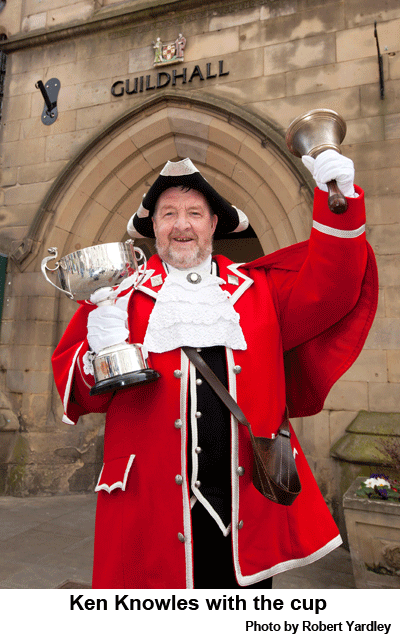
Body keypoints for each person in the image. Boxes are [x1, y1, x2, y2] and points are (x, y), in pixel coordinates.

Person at [52, 153, 378, 589]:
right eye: (168, 214)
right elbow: (80, 392)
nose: (181, 225)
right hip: (150, 507)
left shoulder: (258, 289)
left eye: (194, 214)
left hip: (246, 507)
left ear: (213, 226)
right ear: (153, 230)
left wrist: (338, 199)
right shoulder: (118, 297)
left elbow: (332, 289)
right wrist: (101, 351)